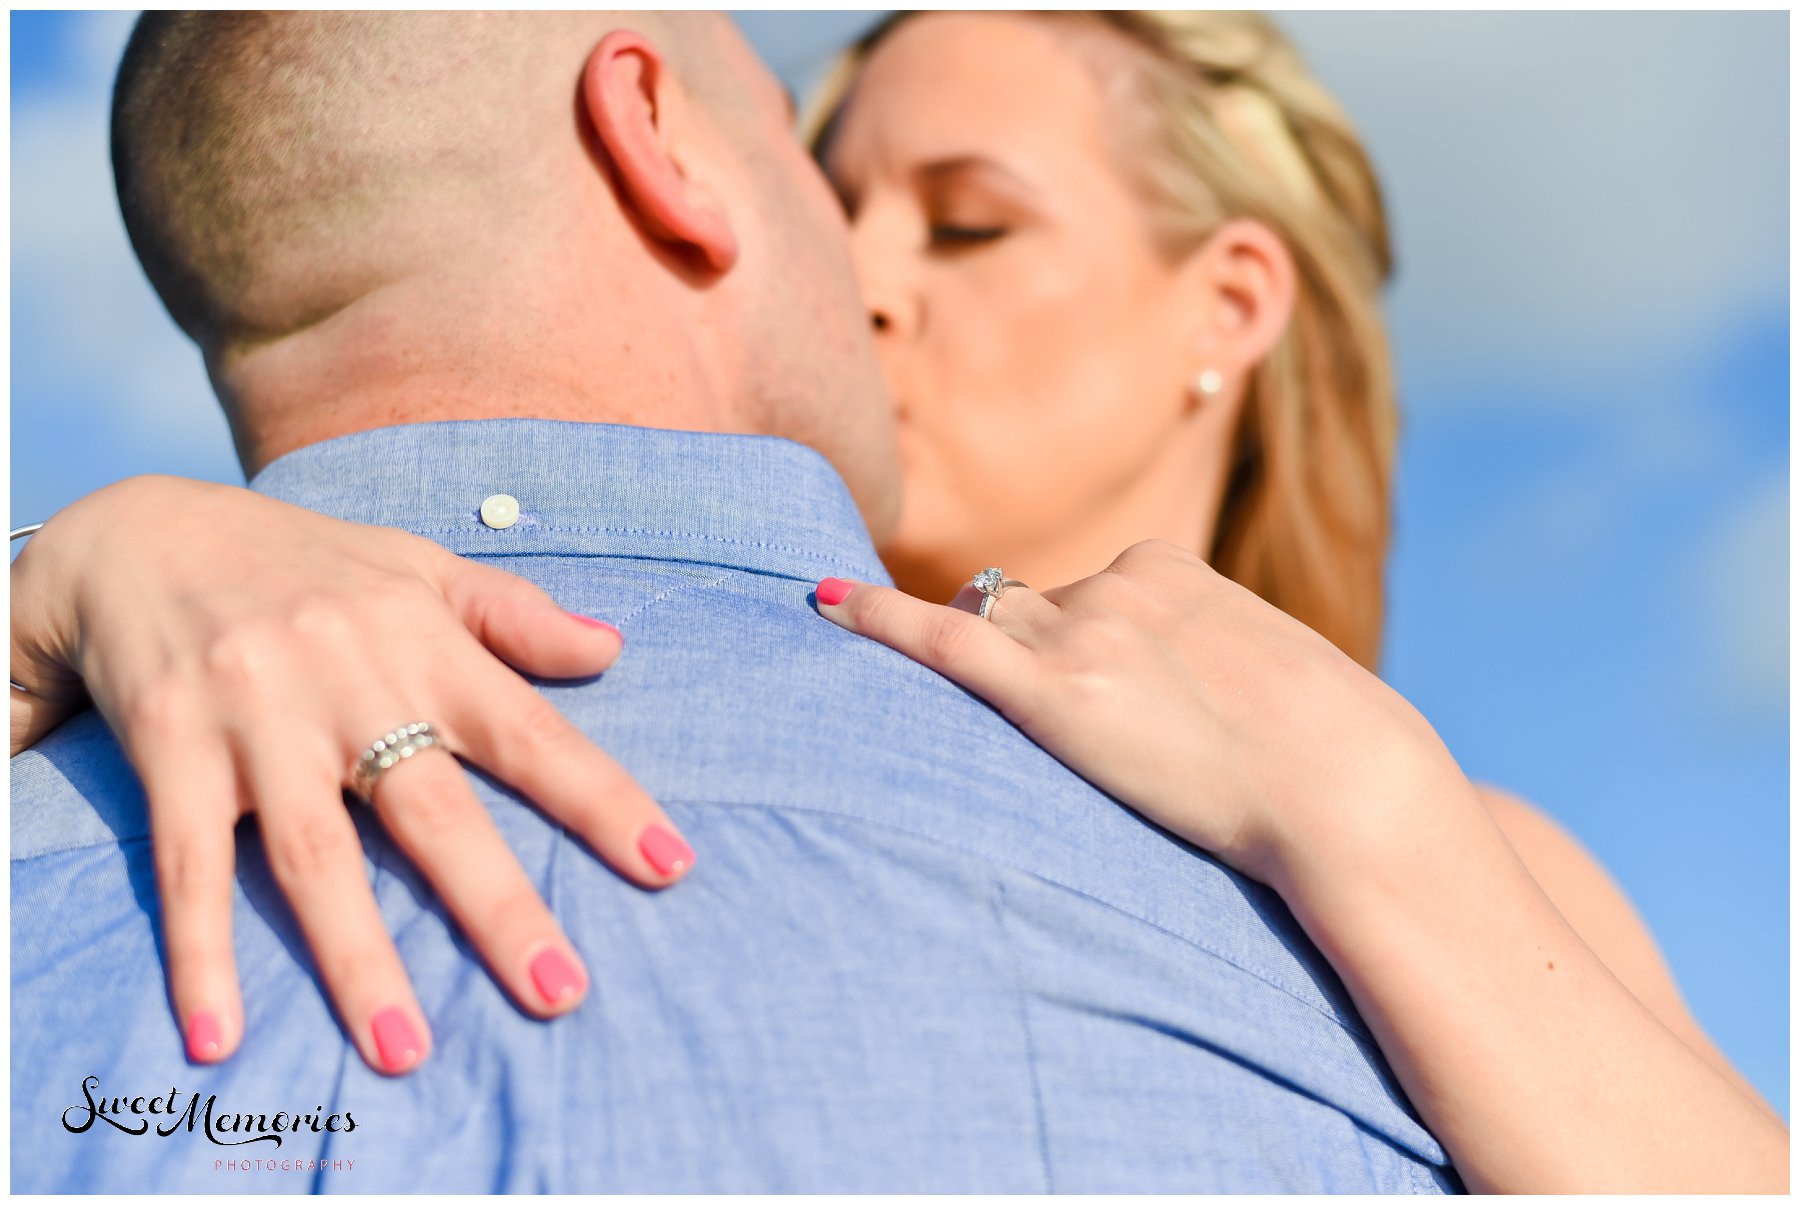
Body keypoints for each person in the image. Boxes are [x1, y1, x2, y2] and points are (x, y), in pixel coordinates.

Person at [10, 9, 1784, 1194]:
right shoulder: (250, 610)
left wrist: (1376, 810)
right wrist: (78, 565)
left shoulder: (1463, 845)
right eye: (845, 204)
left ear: (1225, 308)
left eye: (972, 225)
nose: (869, 285)